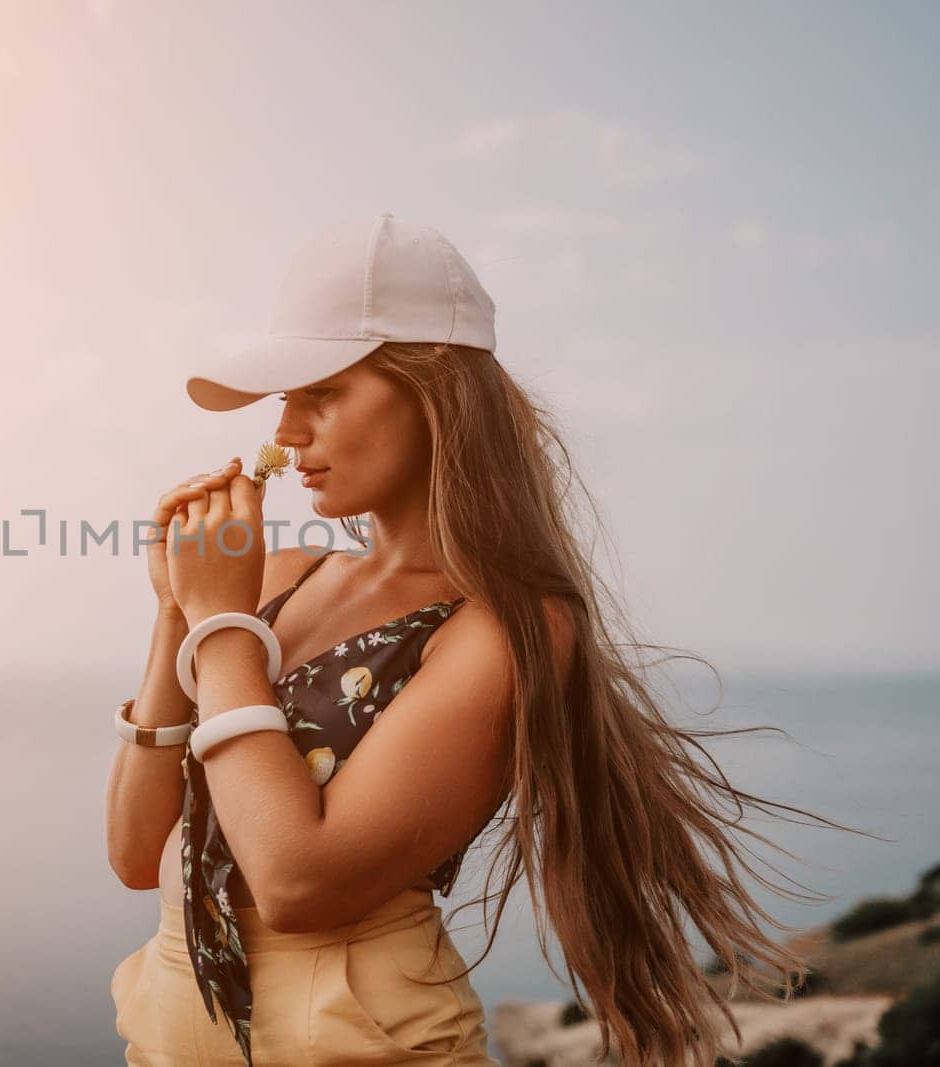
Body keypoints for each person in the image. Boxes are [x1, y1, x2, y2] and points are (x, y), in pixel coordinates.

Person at [104, 215, 866, 1067]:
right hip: (177, 1025)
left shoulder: (508, 627)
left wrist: (216, 626)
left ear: (433, 392)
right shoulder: (277, 580)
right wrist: (176, 608)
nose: (286, 431)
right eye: (285, 399)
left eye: (320, 392)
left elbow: (297, 882)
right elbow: (137, 854)